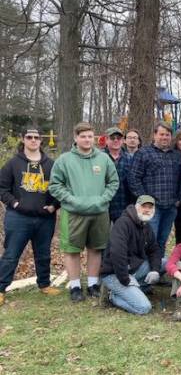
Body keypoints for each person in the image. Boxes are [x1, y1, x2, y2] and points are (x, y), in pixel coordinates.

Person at [49, 122, 119, 302]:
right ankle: (75, 286)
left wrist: (103, 199)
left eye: (89, 136)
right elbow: (55, 185)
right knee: (72, 250)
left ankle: (93, 284)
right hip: (74, 213)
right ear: (75, 138)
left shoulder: (103, 159)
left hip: (99, 212)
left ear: (94, 138)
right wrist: (71, 200)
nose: (87, 140)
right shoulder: (64, 160)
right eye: (83, 136)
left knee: (95, 248)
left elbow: (113, 182)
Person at [0, 128, 60, 306]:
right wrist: (15, 203)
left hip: (45, 218)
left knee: (43, 254)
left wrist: (54, 206)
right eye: (29, 137)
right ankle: (1, 288)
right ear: (23, 139)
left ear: (41, 141)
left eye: (36, 137)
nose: (33, 140)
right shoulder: (13, 164)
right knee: (11, 254)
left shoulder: (51, 165)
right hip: (18, 217)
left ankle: (44, 284)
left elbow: (61, 188)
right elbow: (2, 189)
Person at [129, 122, 181, 257]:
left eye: (167, 135)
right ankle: (145, 270)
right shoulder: (143, 153)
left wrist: (178, 199)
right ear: (155, 135)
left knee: (162, 241)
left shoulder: (176, 155)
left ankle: (157, 269)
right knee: (148, 241)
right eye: (161, 134)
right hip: (152, 207)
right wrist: (145, 200)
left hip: (170, 207)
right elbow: (133, 178)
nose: (164, 137)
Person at [100, 195, 162, 315]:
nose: (147, 210)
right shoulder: (123, 223)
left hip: (134, 268)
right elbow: (117, 254)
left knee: (165, 263)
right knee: (144, 308)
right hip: (115, 274)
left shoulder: (146, 226)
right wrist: (125, 279)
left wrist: (155, 270)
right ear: (136, 207)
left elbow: (154, 250)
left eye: (150, 207)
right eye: (144, 206)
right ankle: (112, 296)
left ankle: (136, 289)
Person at [104, 127, 132, 222]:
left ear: (123, 140)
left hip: (124, 207)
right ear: (106, 140)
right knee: (103, 236)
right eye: (112, 138)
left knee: (122, 236)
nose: (116, 140)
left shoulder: (130, 159)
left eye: (119, 138)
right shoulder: (99, 158)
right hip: (104, 206)